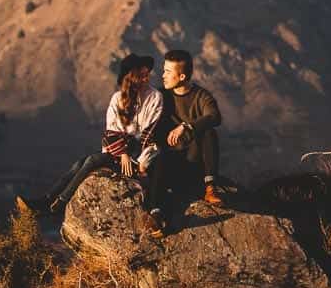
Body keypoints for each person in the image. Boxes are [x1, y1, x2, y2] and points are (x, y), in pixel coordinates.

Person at [18, 54, 166, 232]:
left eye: (147, 74)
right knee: (79, 164)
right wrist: (123, 152)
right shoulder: (118, 99)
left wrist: (135, 159)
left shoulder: (155, 97)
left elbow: (147, 134)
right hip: (120, 153)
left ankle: (58, 205)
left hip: (140, 156)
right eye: (141, 75)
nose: (146, 79)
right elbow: (111, 131)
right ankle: (46, 201)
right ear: (131, 77)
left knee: (92, 161)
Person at [148, 48, 224, 213]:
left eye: (168, 72)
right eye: (164, 71)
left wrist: (186, 126)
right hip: (169, 162)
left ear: (182, 77)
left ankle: (210, 188)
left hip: (193, 162)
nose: (163, 75)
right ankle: (155, 214)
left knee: (208, 132)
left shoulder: (201, 96)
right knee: (160, 158)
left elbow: (215, 116)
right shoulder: (161, 97)